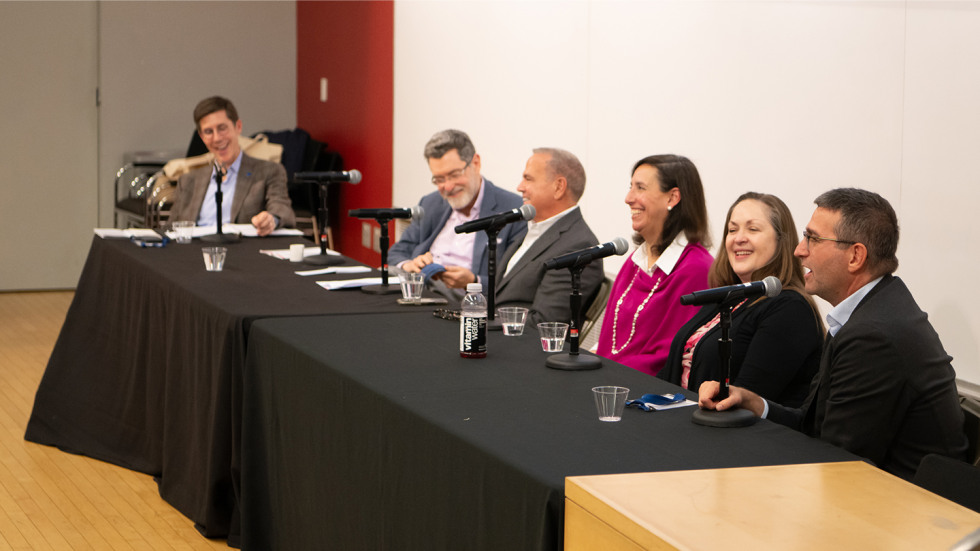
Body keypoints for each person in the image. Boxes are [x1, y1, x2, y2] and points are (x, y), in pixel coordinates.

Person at [699, 188, 967, 480]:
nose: (799, 250)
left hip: (904, 502)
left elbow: (837, 463)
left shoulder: (873, 336)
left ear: (855, 256)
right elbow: (813, 424)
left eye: (813, 239)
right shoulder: (869, 311)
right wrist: (752, 402)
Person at [658, 192, 822, 408]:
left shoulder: (791, 309)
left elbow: (743, 401)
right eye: (732, 230)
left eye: (753, 229)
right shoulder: (728, 298)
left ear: (781, 241)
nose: (738, 238)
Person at [595, 155, 712, 376]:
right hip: (608, 377)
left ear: (672, 198)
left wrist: (605, 372)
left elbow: (670, 358)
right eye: (631, 187)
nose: (628, 198)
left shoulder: (696, 269)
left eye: (640, 188)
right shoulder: (635, 260)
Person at [389, 129, 526, 295]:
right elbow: (397, 252)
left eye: (454, 175)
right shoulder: (431, 203)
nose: (448, 187)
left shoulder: (513, 210)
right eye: (439, 179)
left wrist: (473, 281)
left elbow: (517, 282)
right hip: (421, 292)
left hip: (468, 301)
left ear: (475, 163)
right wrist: (410, 265)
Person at [495, 148, 603, 326]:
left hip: (518, 341)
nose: (520, 187)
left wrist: (482, 322)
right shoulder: (534, 228)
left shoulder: (578, 245)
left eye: (528, 179)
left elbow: (544, 323)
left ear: (558, 187)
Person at [170, 96, 295, 236]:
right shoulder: (188, 180)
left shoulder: (268, 171)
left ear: (238, 127)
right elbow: (170, 229)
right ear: (201, 136)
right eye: (209, 132)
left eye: (222, 128)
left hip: (242, 247)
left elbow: (282, 209)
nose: (217, 138)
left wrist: (271, 219)